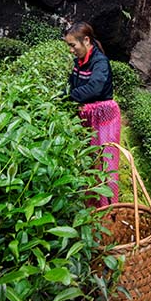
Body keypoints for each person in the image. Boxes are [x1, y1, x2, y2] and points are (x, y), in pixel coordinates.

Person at [64, 22, 121, 208]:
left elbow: (95, 87)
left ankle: (108, 208)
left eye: (73, 45)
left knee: (105, 162)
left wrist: (68, 98)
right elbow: (74, 85)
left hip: (104, 117)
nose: (71, 50)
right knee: (89, 161)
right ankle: (91, 205)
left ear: (86, 40)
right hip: (88, 116)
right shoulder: (78, 62)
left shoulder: (100, 62)